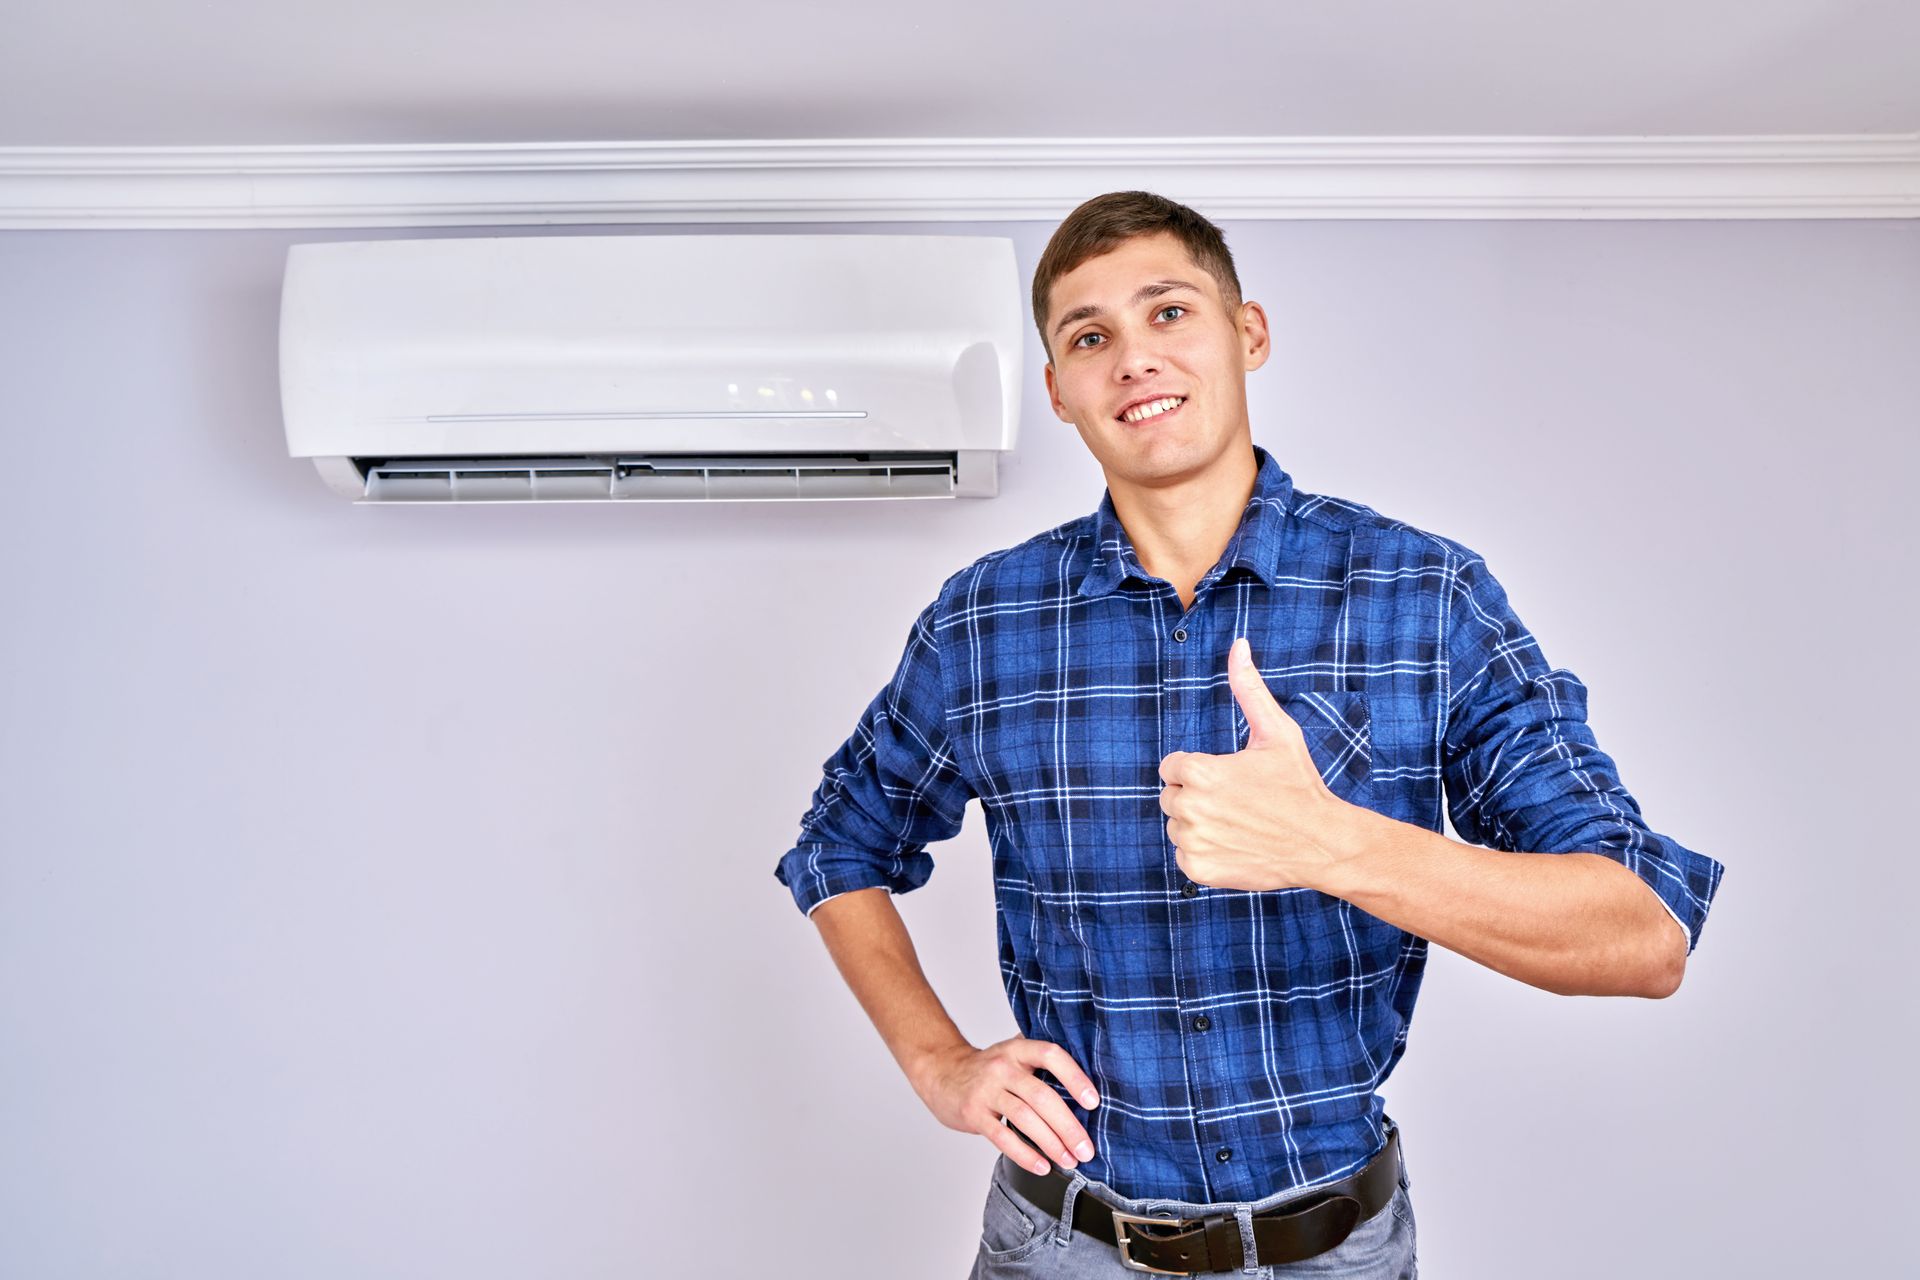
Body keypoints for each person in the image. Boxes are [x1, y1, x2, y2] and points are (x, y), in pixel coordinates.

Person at [773, 190, 1725, 1278]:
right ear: (1060, 390)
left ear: (1248, 332)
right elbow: (837, 845)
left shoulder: (1426, 595)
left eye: (1169, 312)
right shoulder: (984, 620)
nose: (1134, 358)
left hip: (1330, 1246)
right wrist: (939, 1062)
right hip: (1057, 1243)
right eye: (1091, 337)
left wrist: (1332, 843)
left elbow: (1644, 933)